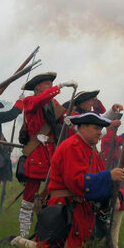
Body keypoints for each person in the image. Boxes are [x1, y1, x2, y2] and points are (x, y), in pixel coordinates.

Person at [11, 112, 124, 248]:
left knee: (122, 197)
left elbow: (96, 178)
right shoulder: (72, 146)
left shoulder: (90, 151)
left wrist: (112, 194)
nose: (99, 132)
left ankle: (111, 246)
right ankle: (19, 242)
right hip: (67, 207)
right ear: (83, 127)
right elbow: (77, 183)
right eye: (96, 128)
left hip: (83, 206)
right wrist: (109, 176)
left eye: (100, 129)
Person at [17, 72, 76, 237]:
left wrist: (67, 121)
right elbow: (38, 101)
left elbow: (60, 120)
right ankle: (23, 231)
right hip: (37, 150)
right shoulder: (30, 101)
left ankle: (49, 227)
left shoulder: (53, 102)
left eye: (52, 84)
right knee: (30, 193)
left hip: (52, 152)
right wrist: (60, 87)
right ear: (38, 87)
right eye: (47, 84)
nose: (51, 86)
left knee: (55, 190)